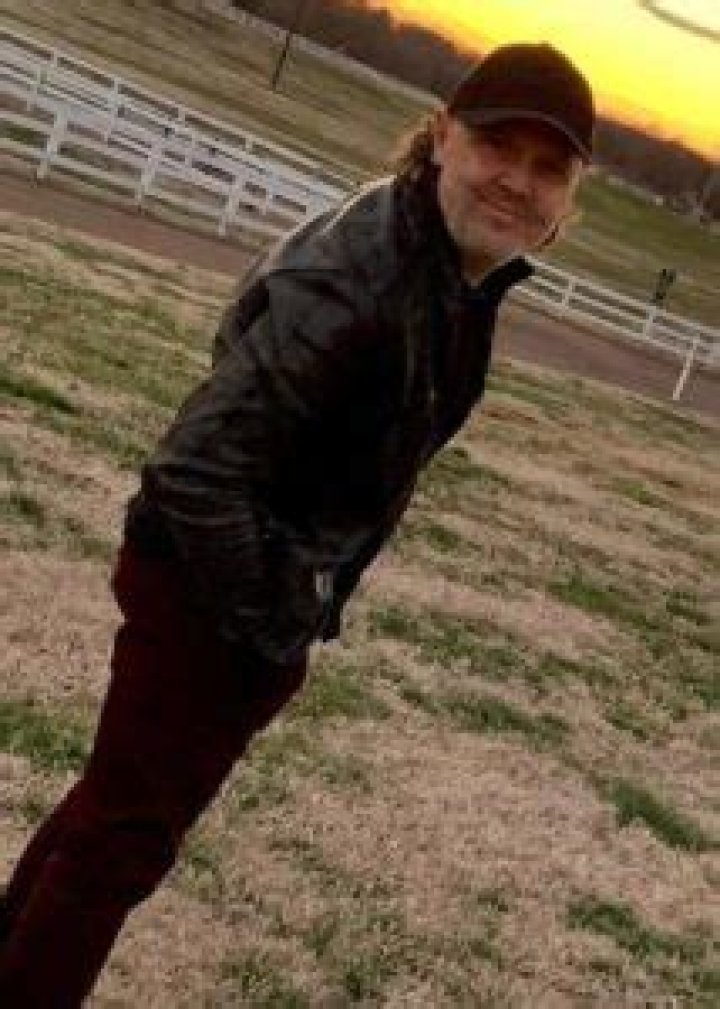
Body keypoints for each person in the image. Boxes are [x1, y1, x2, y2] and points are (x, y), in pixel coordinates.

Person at [0, 42, 595, 1006]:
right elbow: (196, 468)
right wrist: (272, 618)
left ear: (570, 195)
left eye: (548, 168)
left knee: (113, 817)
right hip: (208, 583)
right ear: (444, 136)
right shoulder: (363, 274)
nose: (518, 182)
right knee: (120, 842)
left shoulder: (448, 266)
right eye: (499, 147)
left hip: (244, 580)